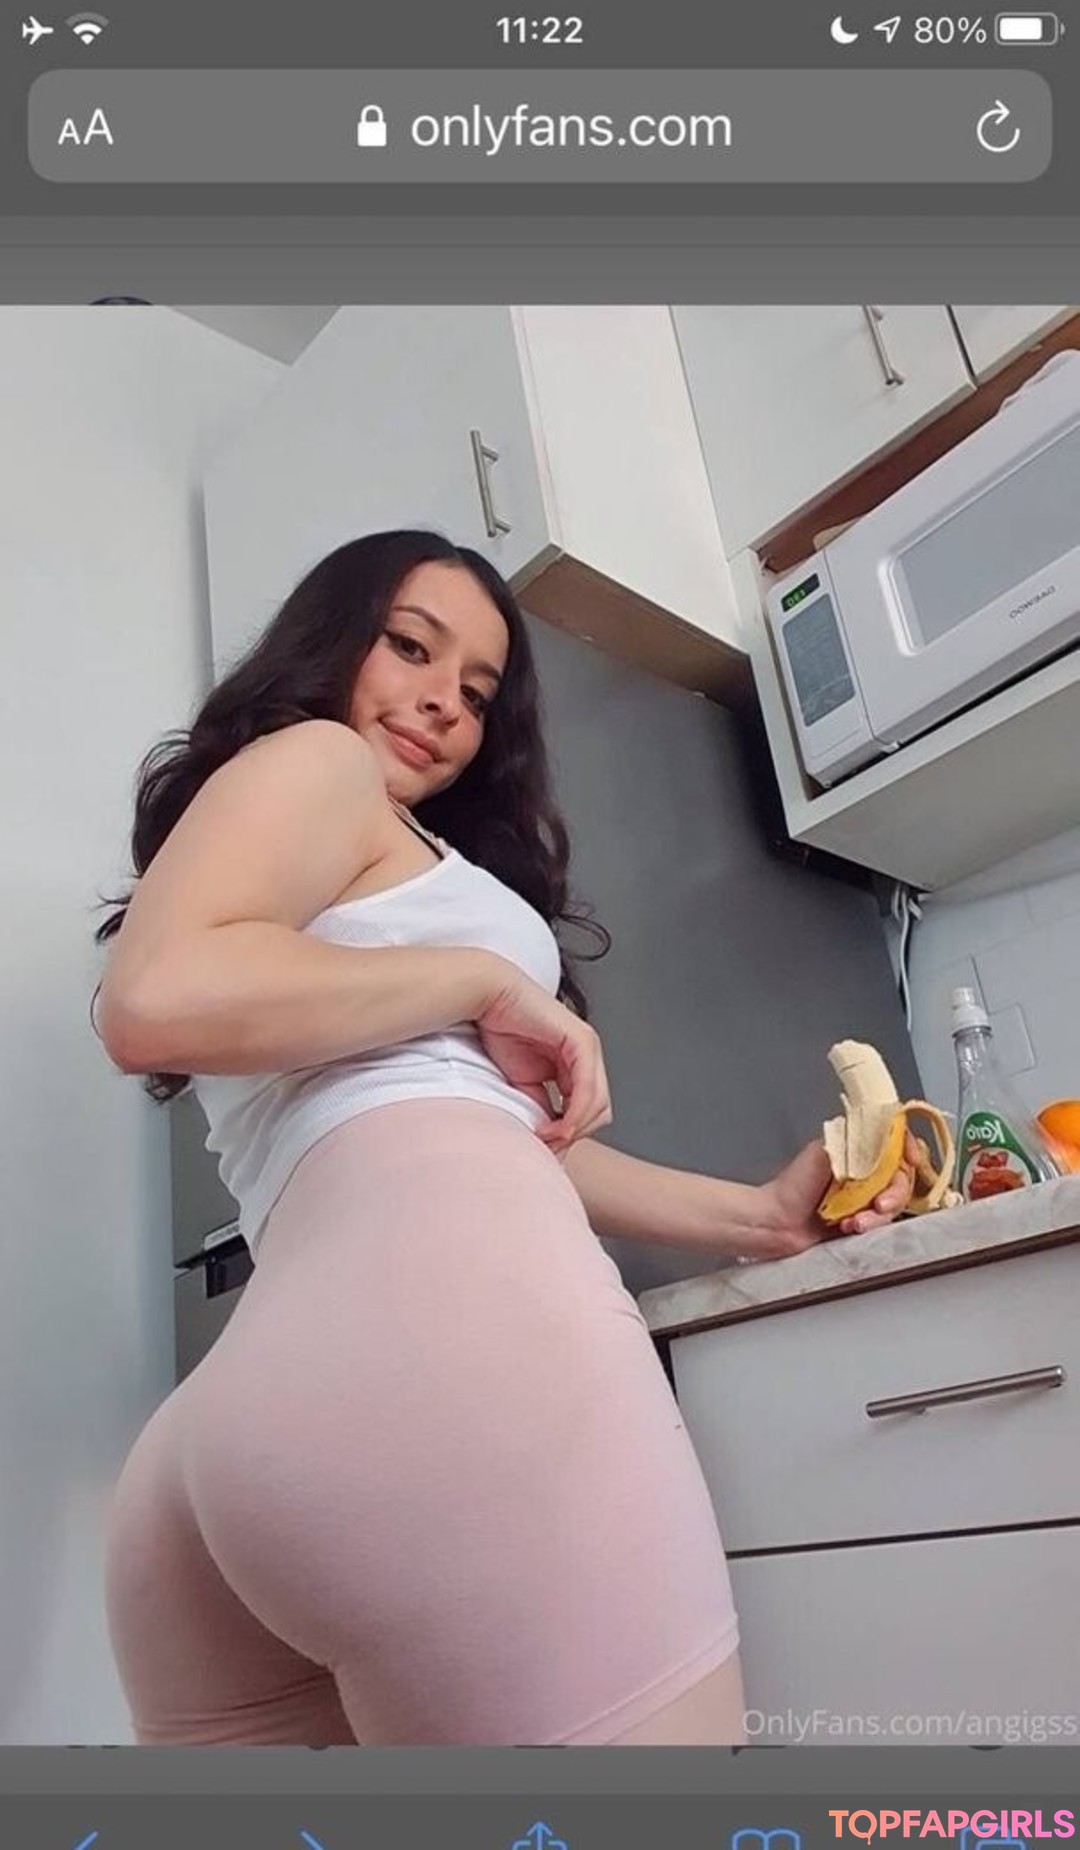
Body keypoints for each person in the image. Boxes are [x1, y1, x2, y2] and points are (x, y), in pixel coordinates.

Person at [91, 528, 914, 1748]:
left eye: (477, 693)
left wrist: (755, 1217)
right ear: (330, 640)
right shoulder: (319, 760)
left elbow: (510, 1133)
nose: (444, 701)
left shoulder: (372, 867)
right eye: (410, 646)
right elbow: (150, 999)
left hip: (225, 1447)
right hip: (449, 1369)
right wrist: (478, 975)